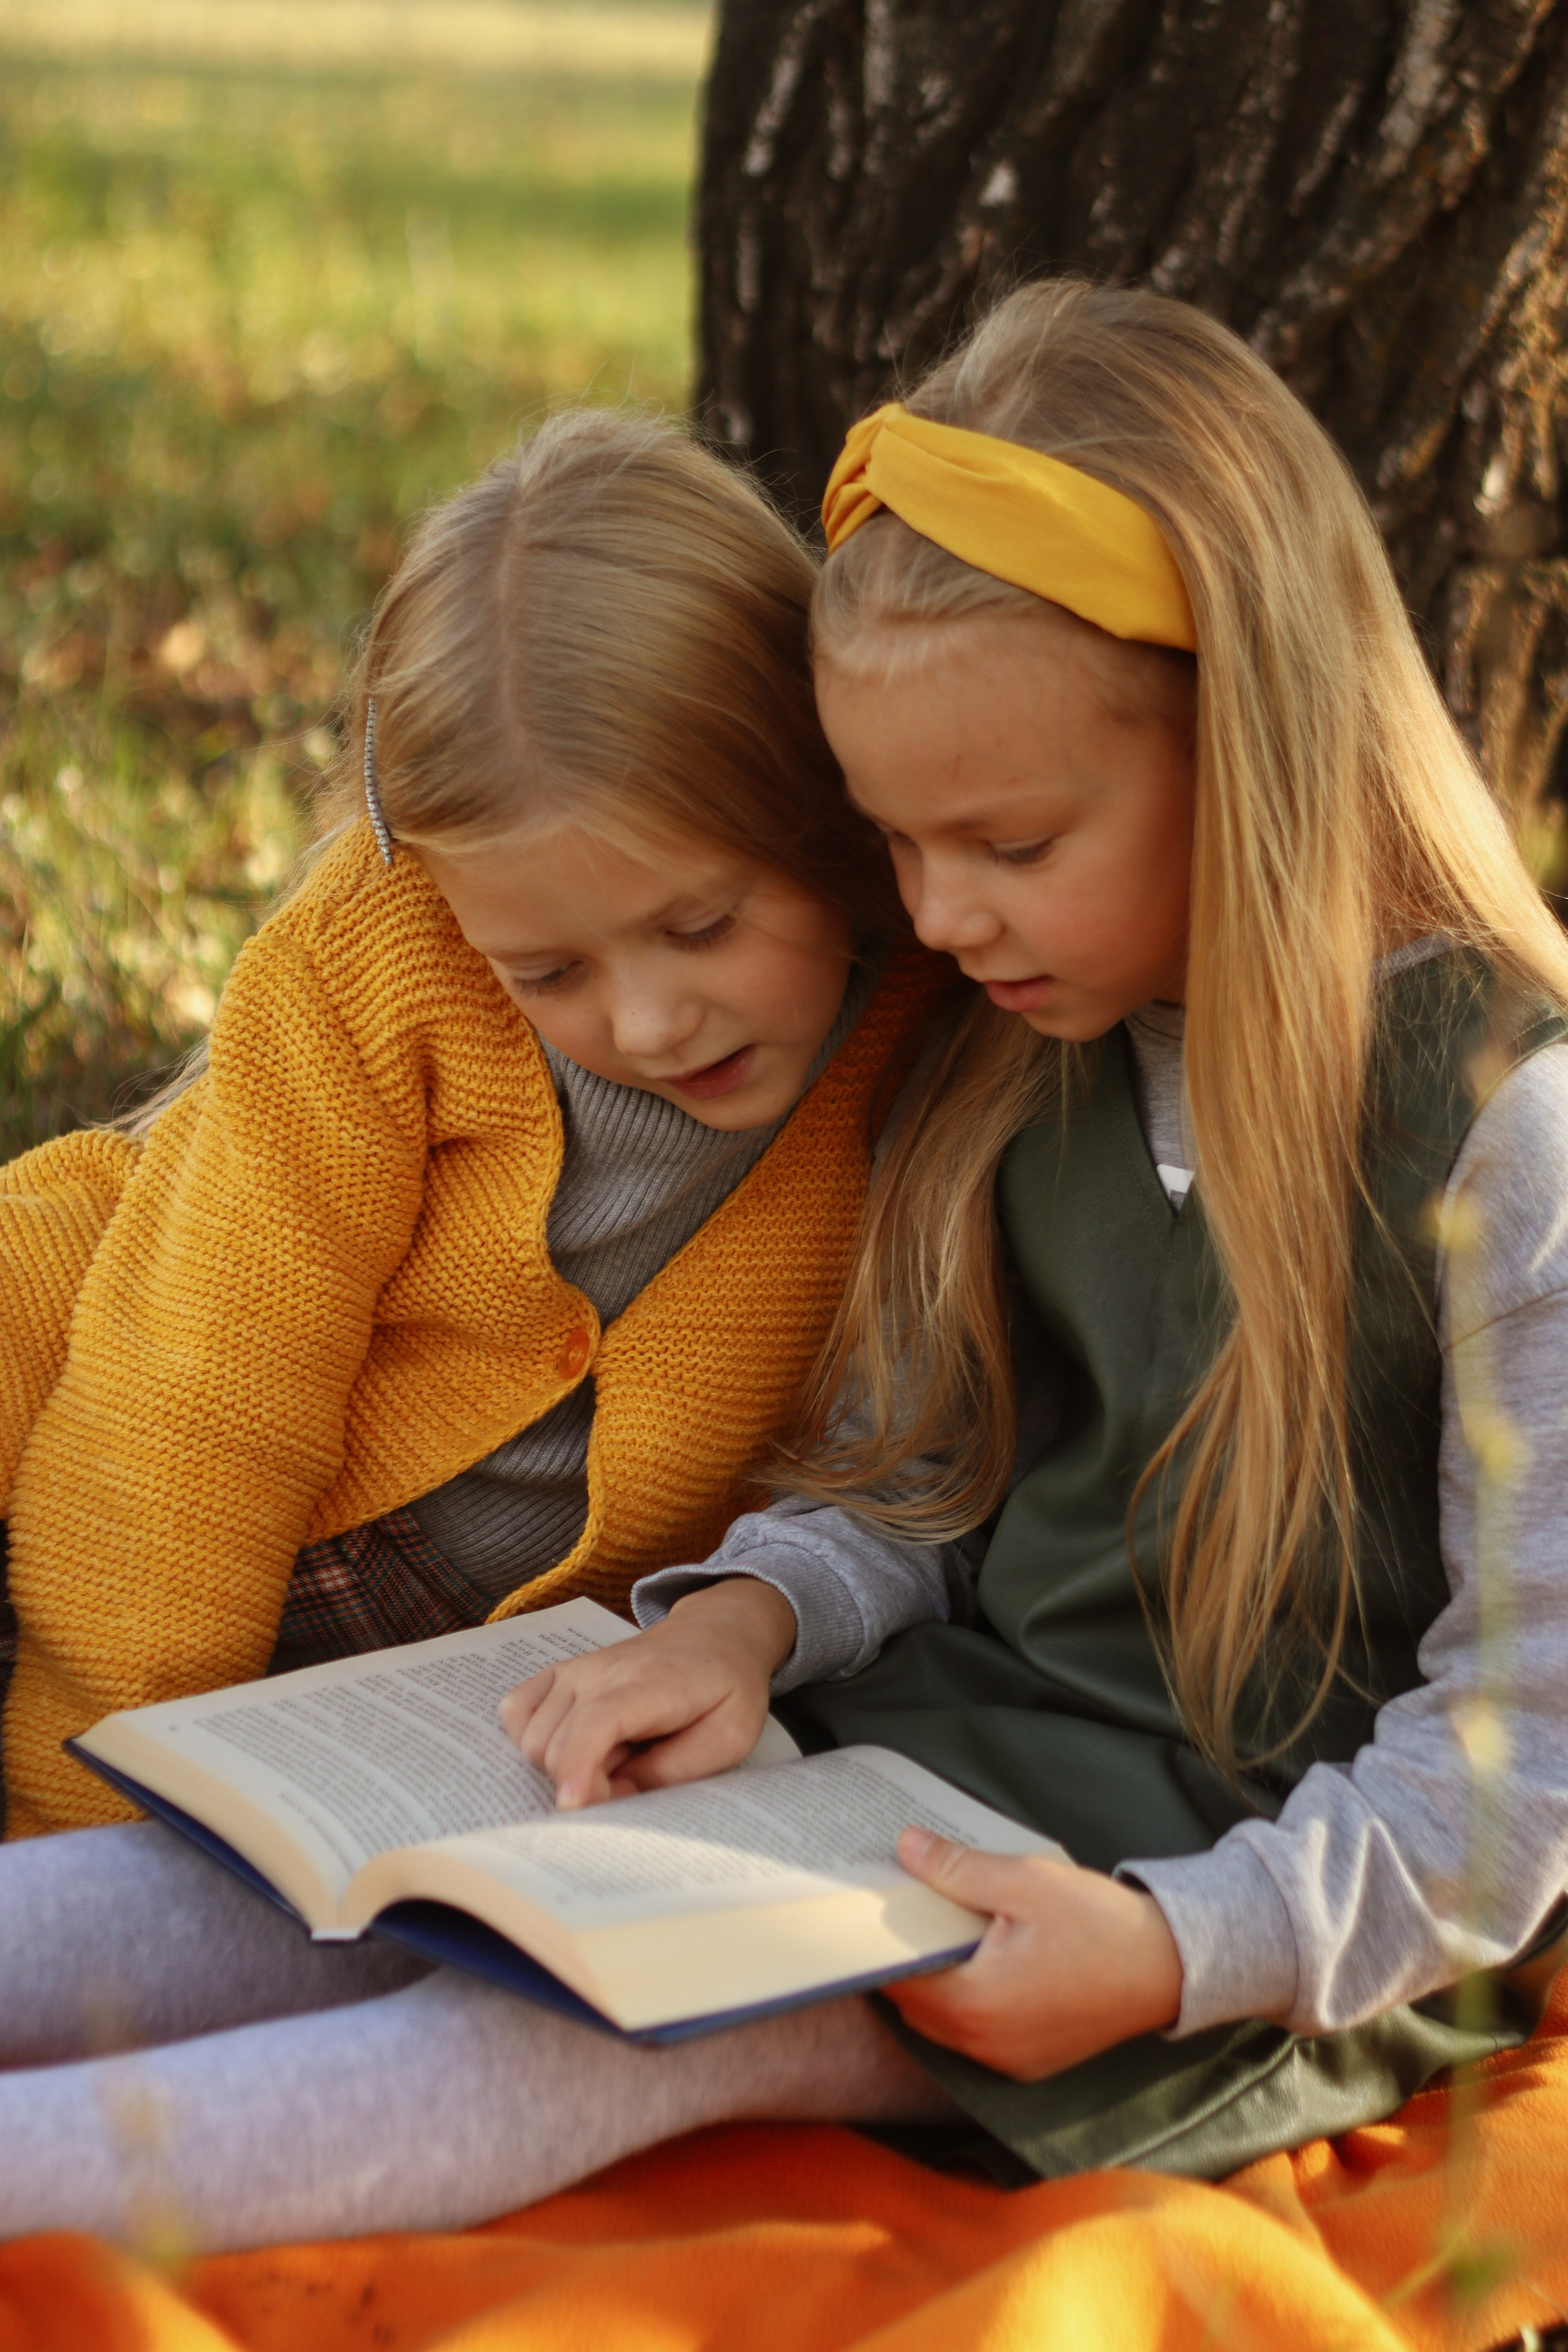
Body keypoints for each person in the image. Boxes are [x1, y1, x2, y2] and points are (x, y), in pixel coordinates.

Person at [504, 279, 1568, 2185]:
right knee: (305, 1904)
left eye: (1008, 846)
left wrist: (1170, 1953)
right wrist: (743, 1623)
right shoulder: (1022, 1056)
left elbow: (1528, 1756)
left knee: (518, 2046)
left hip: (1221, 1910)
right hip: (921, 1770)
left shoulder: (1511, 1134)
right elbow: (929, 1481)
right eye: (897, 846)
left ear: (1252, 747)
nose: (938, 918)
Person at [0, 408, 963, 2244]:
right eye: (553, 972)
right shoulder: (374, 969)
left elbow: (912, 1421)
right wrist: (81, 1855)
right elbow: (179, 1431)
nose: (650, 1020)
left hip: (432, 1641)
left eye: (702, 925)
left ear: (826, 813)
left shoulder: (940, 1010)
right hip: (96, 1399)